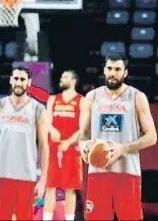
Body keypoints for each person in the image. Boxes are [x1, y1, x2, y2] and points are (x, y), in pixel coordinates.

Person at [78, 54, 157, 220]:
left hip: (127, 172)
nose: (112, 73)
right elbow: (83, 133)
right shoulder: (92, 97)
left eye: (117, 69)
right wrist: (83, 145)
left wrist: (124, 148)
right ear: (104, 70)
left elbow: (151, 136)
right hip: (98, 171)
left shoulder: (137, 97)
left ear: (125, 73)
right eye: (109, 69)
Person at [0, 66, 49, 220]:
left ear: (29, 82)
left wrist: (43, 180)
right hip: (0, 176)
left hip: (26, 178)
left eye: (22, 79)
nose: (19, 82)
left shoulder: (38, 109)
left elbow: (45, 146)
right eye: (16, 78)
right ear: (10, 80)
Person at [43, 70, 84, 221]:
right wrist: (52, 129)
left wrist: (69, 142)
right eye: (61, 77)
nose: (62, 79)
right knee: (50, 187)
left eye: (65, 77)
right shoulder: (53, 99)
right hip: (53, 149)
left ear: (74, 81)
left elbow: (83, 128)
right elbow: (46, 122)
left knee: (70, 189)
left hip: (71, 150)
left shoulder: (81, 100)